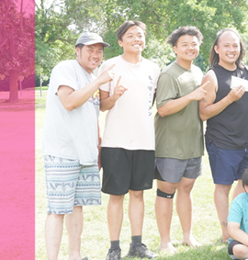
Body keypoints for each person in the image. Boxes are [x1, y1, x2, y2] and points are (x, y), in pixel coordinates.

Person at [43, 32, 113, 260]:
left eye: (99, 50)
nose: (95, 54)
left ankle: (75, 255)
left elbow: (91, 116)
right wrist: (99, 81)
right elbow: (70, 102)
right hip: (63, 152)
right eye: (90, 49)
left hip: (86, 153)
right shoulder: (66, 68)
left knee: (77, 206)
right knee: (57, 210)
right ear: (77, 50)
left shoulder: (90, 76)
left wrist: (98, 146)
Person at [99, 21, 159, 259]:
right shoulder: (110, 65)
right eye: (131, 35)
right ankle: (114, 247)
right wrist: (114, 97)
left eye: (141, 35)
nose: (137, 39)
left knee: (138, 194)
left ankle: (137, 245)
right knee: (116, 196)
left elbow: (150, 102)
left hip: (144, 141)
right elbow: (103, 106)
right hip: (115, 141)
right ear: (121, 41)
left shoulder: (154, 69)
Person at [199, 28, 248, 243]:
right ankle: (226, 234)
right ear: (217, 49)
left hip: (245, 141)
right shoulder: (212, 76)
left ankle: (235, 224)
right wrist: (228, 99)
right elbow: (204, 113)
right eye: (226, 45)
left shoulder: (245, 72)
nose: (231, 49)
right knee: (223, 187)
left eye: (235, 45)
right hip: (221, 141)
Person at [153, 26, 207, 253]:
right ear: (175, 48)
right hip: (170, 145)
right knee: (166, 191)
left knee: (187, 189)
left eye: (194, 44)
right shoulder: (168, 73)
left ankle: (187, 235)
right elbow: (163, 109)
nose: (190, 48)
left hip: (193, 143)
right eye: (184, 44)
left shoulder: (198, 72)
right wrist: (192, 96)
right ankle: (165, 241)